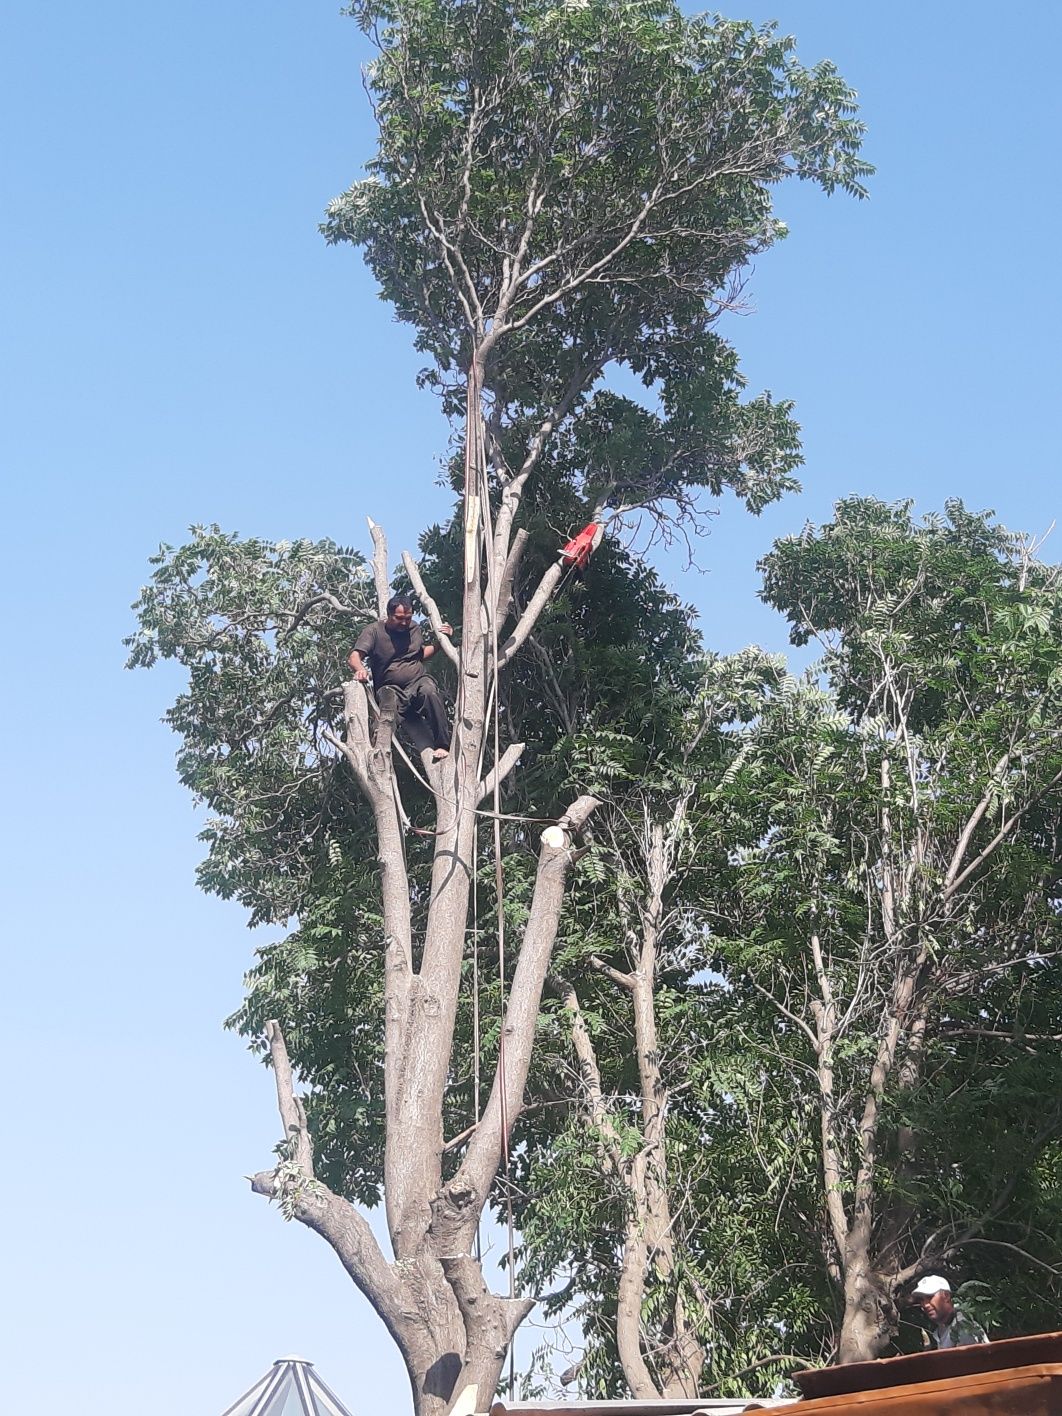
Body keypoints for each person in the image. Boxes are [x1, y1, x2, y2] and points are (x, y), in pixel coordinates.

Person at [349, 594, 453, 759]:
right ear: (389, 615)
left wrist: (441, 642)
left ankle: (442, 745)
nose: (404, 622)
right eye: (399, 618)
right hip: (390, 688)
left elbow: (420, 654)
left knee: (429, 691)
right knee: (387, 710)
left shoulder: (414, 629)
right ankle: (378, 753)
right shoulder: (374, 631)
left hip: (417, 681)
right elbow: (354, 656)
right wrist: (360, 670)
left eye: (408, 618)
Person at [910, 1275, 989, 1349]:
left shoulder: (963, 1325)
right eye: (921, 1300)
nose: (925, 1304)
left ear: (946, 1296)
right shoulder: (942, 1327)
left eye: (930, 1297)